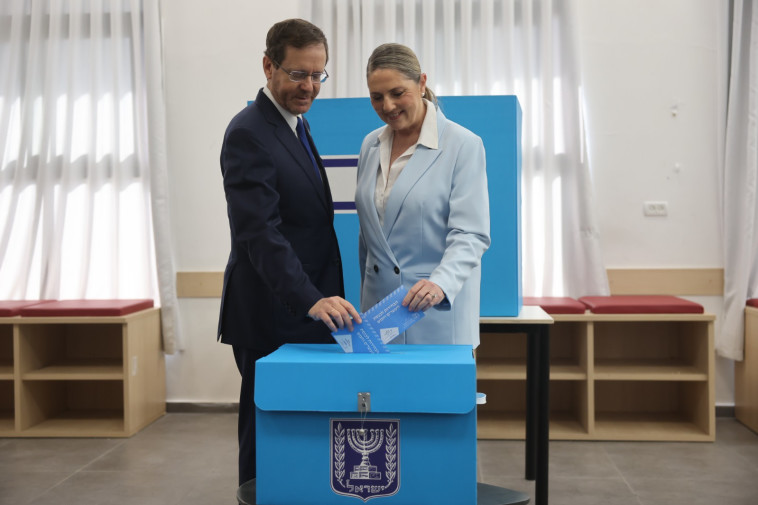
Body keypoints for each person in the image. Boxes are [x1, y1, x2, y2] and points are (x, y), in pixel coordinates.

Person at [217, 18, 360, 487]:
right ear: (268, 66)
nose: (310, 86)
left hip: (305, 310)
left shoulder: (295, 125)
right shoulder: (249, 132)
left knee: (304, 434)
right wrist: (309, 297)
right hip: (272, 312)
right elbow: (259, 232)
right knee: (267, 434)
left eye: (319, 74)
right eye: (299, 74)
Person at [355, 43, 491, 348]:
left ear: (422, 83)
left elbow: (471, 234)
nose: (387, 106)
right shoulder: (370, 146)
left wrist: (441, 284)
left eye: (397, 92)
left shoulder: (463, 145)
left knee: (436, 396)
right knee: (378, 396)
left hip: (435, 311)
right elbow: (369, 239)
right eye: (377, 97)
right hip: (379, 317)